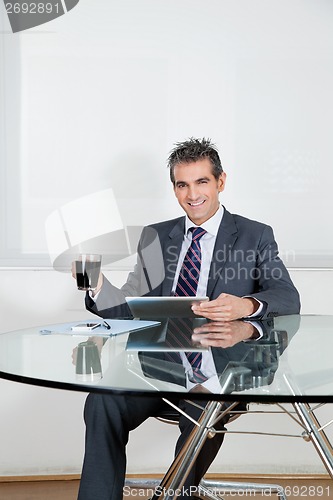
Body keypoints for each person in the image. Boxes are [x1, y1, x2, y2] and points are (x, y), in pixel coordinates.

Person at [76, 138, 300, 500]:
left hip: (222, 369)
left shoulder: (254, 234)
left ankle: (176, 495)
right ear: (175, 188)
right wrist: (99, 285)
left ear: (221, 182)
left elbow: (288, 297)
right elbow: (130, 308)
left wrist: (245, 306)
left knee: (203, 415)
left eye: (202, 182)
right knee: (102, 400)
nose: (192, 194)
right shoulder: (157, 236)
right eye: (182, 185)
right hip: (158, 367)